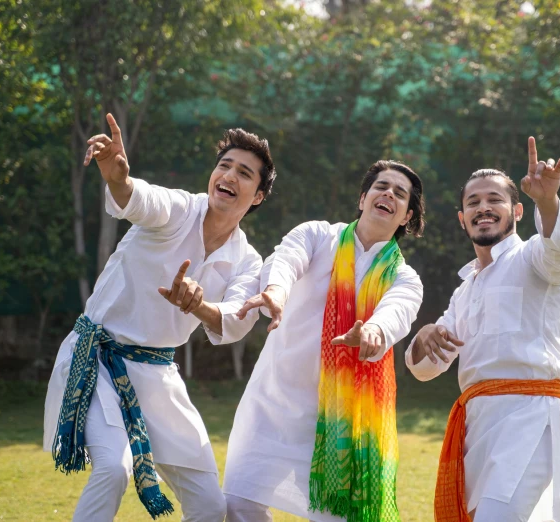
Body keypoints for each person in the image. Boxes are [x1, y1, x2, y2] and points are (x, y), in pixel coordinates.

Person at [42, 113, 276, 522]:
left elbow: (236, 320)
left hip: (157, 374)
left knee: (209, 505)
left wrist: (198, 306)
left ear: (256, 196)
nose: (229, 176)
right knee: (113, 470)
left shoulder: (247, 260)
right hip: (98, 359)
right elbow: (142, 199)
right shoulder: (180, 209)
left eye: (244, 173)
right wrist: (119, 180)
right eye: (224, 166)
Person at [223, 160, 426, 522]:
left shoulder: (405, 279)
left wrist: (372, 332)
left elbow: (396, 314)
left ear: (407, 216)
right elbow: (286, 260)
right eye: (381, 187)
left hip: (344, 425)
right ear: (363, 198)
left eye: (399, 193)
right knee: (238, 503)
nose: (388, 195)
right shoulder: (318, 236)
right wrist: (275, 291)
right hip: (272, 405)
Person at [406, 137, 560, 522]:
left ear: (517, 210)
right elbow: (427, 368)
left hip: (529, 418)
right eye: (473, 202)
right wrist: (422, 338)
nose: (483, 207)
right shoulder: (464, 290)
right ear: (462, 218)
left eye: (494, 200)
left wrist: (549, 202)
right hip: (477, 428)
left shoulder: (533, 257)